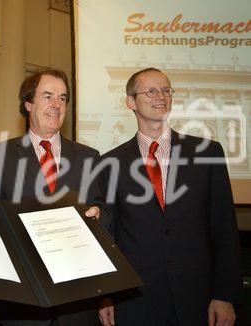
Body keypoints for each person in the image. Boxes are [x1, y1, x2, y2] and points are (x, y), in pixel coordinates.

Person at [98, 67, 241, 326]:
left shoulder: (207, 152)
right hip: (134, 301)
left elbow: (225, 228)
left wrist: (224, 294)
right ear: (131, 102)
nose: (160, 96)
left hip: (198, 299)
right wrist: (106, 296)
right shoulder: (110, 163)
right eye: (151, 91)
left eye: (166, 90)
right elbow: (109, 237)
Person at [0, 69, 103, 325]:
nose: (56, 105)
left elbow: (103, 213)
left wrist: (98, 217)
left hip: (77, 303)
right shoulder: (1, 154)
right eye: (48, 96)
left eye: (62, 98)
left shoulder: (89, 157)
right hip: (25, 303)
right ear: (28, 103)